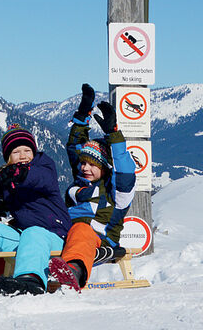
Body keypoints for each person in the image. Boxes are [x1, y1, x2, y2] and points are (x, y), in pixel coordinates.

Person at [0, 113, 72, 296]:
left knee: (34, 231)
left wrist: (18, 174)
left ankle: (30, 279)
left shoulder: (45, 167)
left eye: (27, 151)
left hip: (55, 238)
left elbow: (36, 177)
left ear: (34, 152)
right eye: (16, 152)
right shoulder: (6, 177)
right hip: (26, 239)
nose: (22, 156)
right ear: (8, 156)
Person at [48, 84, 137, 291]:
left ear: (105, 168)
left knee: (81, 230)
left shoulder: (115, 193)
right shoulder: (80, 180)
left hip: (100, 240)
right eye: (83, 163)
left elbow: (125, 171)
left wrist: (114, 136)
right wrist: (83, 113)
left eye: (93, 165)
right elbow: (75, 147)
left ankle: (74, 273)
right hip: (65, 234)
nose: (85, 168)